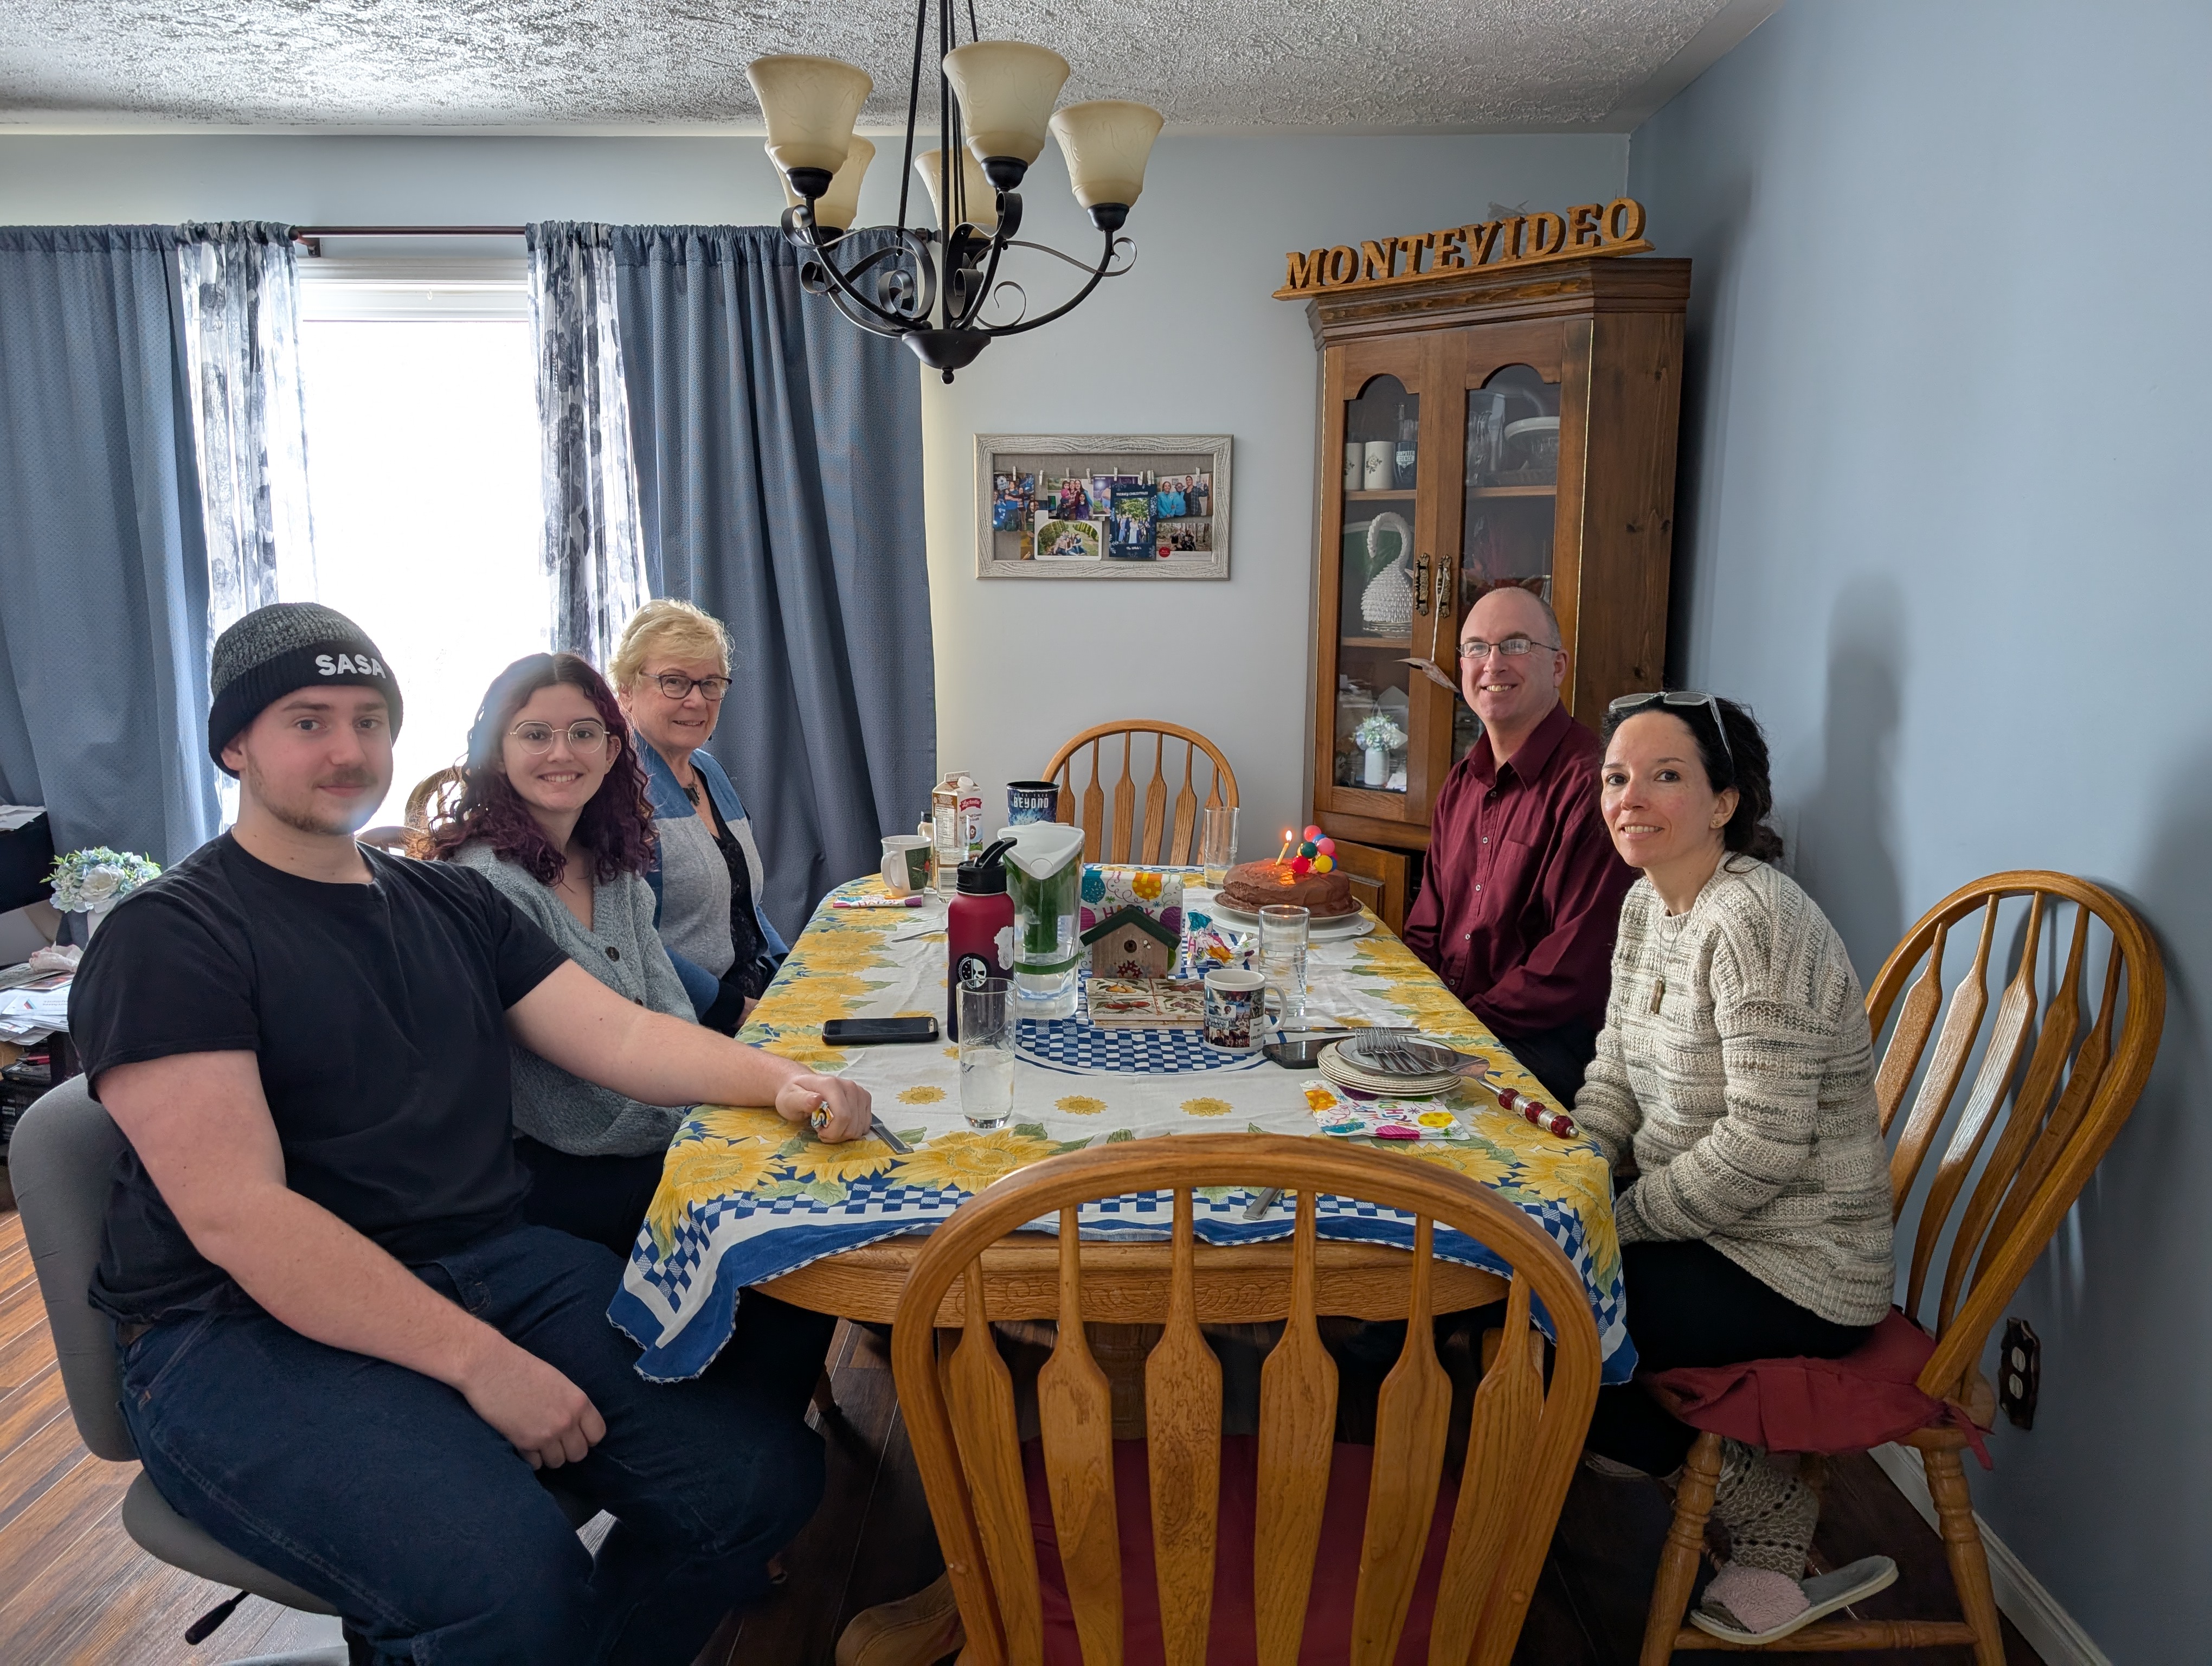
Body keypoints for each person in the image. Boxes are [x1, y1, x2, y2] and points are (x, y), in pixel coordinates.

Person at [73, 601, 874, 1664]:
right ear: (234, 746)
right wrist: (478, 1362)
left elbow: (623, 1037)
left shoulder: (448, 903)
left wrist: (785, 1080)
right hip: (235, 1328)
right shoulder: (172, 934)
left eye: (369, 720)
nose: (349, 750)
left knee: (760, 1486)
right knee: (511, 1580)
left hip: (484, 1261)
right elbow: (240, 1217)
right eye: (308, 722)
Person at [1574, 691, 1896, 1642]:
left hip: (1801, 1262)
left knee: (1551, 1315)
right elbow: (1615, 1072)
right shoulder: (1647, 903)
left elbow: (1762, 1145)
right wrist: (1576, 1173)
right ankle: (1632, 1446)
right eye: (1617, 777)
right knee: (1528, 1278)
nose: (1630, 797)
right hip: (1708, 1225)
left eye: (1665, 775)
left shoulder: (1755, 920)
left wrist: (1616, 1220)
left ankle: (1765, 1509)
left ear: (1724, 802)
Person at [424, 651, 699, 1256]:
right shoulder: (486, 884)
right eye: (535, 735)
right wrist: (693, 1126)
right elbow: (570, 1092)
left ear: (611, 750)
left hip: (652, 1131)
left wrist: (701, 1114)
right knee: (750, 1210)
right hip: (546, 1168)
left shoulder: (612, 870)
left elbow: (672, 1008)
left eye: (583, 733)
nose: (561, 753)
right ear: (498, 753)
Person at [1401, 584, 1637, 1102]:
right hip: (1456, 1026)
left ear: (1558, 666)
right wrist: (1413, 1013)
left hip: (1544, 1050)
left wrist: (1454, 1030)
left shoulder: (1595, 787)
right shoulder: (1461, 783)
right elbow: (1426, 927)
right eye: (1477, 648)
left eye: (1515, 645)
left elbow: (1570, 972)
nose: (1493, 663)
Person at [611, 599, 785, 1035]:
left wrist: (790, 969)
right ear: (626, 691)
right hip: (688, 1021)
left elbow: (742, 903)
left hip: (751, 998)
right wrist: (733, 1008)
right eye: (674, 682)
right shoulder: (614, 790)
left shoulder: (709, 771)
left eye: (710, 683)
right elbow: (632, 940)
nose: (696, 700)